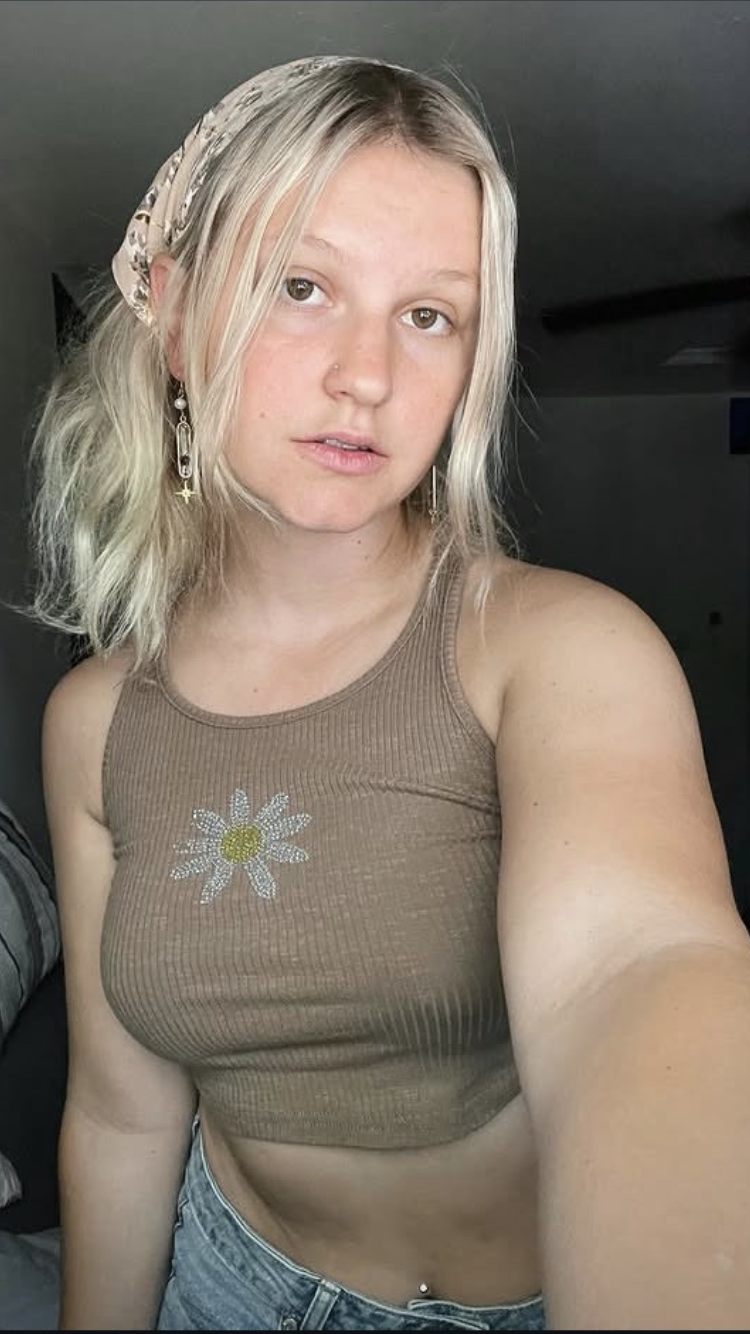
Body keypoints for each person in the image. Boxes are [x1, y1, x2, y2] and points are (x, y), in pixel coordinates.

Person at [27, 54, 750, 1332]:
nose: (368, 373)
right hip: (225, 1283)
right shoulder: (94, 722)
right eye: (301, 287)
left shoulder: (561, 649)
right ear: (178, 315)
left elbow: (639, 966)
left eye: (430, 315)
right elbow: (122, 1110)